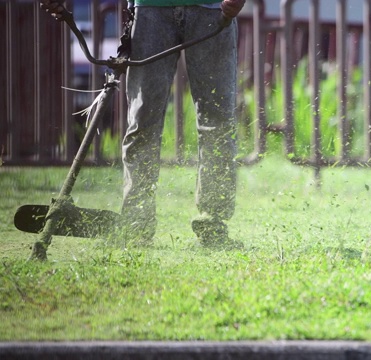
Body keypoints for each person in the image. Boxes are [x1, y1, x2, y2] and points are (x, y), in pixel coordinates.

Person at [40, 0, 246, 249]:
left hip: (213, 9)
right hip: (150, 9)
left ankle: (213, 223)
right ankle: (136, 223)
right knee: (142, 122)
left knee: (218, 123)